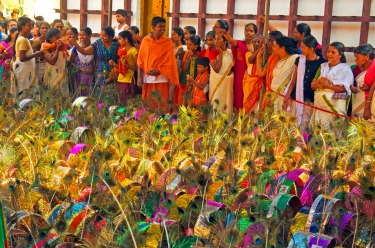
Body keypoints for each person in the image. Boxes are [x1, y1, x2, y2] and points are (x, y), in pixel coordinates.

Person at [137, 16, 179, 113]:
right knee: (148, 107)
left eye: (164, 26)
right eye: (160, 26)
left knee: (162, 106)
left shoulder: (168, 42)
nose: (163, 29)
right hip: (147, 79)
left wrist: (159, 70)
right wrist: (139, 78)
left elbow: (171, 62)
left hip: (162, 79)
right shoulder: (145, 41)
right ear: (153, 27)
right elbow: (140, 60)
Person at [282, 35, 326, 129]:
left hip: (311, 100)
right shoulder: (299, 60)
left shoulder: (322, 63)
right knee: (294, 125)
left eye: (303, 47)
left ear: (311, 49)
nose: (301, 49)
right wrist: (286, 98)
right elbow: (293, 81)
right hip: (297, 98)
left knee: (307, 127)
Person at [311, 42, 354, 128]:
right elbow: (312, 85)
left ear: (340, 54)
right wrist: (320, 80)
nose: (329, 54)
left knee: (333, 131)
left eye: (333, 52)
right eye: (328, 51)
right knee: (318, 131)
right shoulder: (323, 67)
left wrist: (326, 85)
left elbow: (342, 88)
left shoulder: (345, 69)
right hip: (320, 105)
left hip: (334, 105)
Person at [219, 22, 257, 110]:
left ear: (255, 33)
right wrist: (225, 33)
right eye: (247, 30)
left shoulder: (257, 46)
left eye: (251, 31)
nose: (248, 32)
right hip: (240, 76)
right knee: (239, 97)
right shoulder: (240, 43)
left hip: (252, 78)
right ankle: (238, 119)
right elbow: (231, 41)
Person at [257, 37, 298, 112]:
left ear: (282, 48)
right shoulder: (277, 61)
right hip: (271, 95)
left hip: (283, 97)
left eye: (274, 46)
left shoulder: (295, 59)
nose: (272, 48)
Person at [13, 17, 42, 96]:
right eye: (28, 25)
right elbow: (22, 58)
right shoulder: (22, 39)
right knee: (24, 91)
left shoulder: (23, 38)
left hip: (25, 69)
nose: (31, 28)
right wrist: (35, 54)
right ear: (22, 26)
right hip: (23, 69)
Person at [109, 30, 138, 104]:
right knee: (120, 101)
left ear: (126, 39)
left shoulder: (133, 50)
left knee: (128, 101)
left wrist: (126, 65)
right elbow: (121, 67)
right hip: (121, 78)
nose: (118, 41)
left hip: (129, 79)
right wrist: (114, 64)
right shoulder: (122, 50)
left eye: (120, 39)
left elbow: (137, 68)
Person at [209, 33, 234, 116]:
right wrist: (221, 55)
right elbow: (216, 69)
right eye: (215, 39)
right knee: (216, 105)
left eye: (219, 39)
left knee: (226, 105)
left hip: (227, 86)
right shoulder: (213, 52)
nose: (216, 41)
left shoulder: (231, 53)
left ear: (225, 41)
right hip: (216, 85)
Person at [41, 28, 70, 97]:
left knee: (63, 97)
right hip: (51, 74)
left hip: (62, 74)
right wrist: (57, 48)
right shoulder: (45, 46)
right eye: (57, 37)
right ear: (50, 38)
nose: (59, 39)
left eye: (60, 37)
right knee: (52, 96)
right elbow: (52, 61)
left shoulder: (62, 47)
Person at [175, 35, 202, 106]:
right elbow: (184, 69)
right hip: (184, 81)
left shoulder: (200, 55)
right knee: (182, 103)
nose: (188, 46)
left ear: (196, 46)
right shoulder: (184, 53)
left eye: (190, 45)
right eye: (187, 44)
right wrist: (187, 58)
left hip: (195, 83)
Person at [351, 44, 375, 119]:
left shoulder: (373, 68)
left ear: (367, 57)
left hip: (369, 105)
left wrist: (367, 109)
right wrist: (355, 89)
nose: (355, 60)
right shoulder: (358, 68)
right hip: (358, 100)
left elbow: (373, 88)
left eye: (357, 57)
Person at [70, 27, 95, 96]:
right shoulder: (76, 48)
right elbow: (71, 62)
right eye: (80, 35)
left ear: (89, 36)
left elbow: (96, 61)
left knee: (90, 93)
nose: (81, 37)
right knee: (80, 93)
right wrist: (79, 68)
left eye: (83, 35)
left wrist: (93, 68)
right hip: (79, 74)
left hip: (90, 75)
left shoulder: (93, 48)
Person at [243, 34, 265, 112]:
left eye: (258, 42)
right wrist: (259, 48)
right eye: (254, 42)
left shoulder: (264, 55)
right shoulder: (248, 54)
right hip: (248, 84)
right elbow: (251, 60)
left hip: (259, 84)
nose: (256, 44)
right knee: (247, 107)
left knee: (257, 106)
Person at [170, 27, 186, 102]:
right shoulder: (173, 48)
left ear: (180, 36)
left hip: (178, 74)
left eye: (174, 34)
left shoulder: (183, 48)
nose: (171, 36)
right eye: (171, 34)